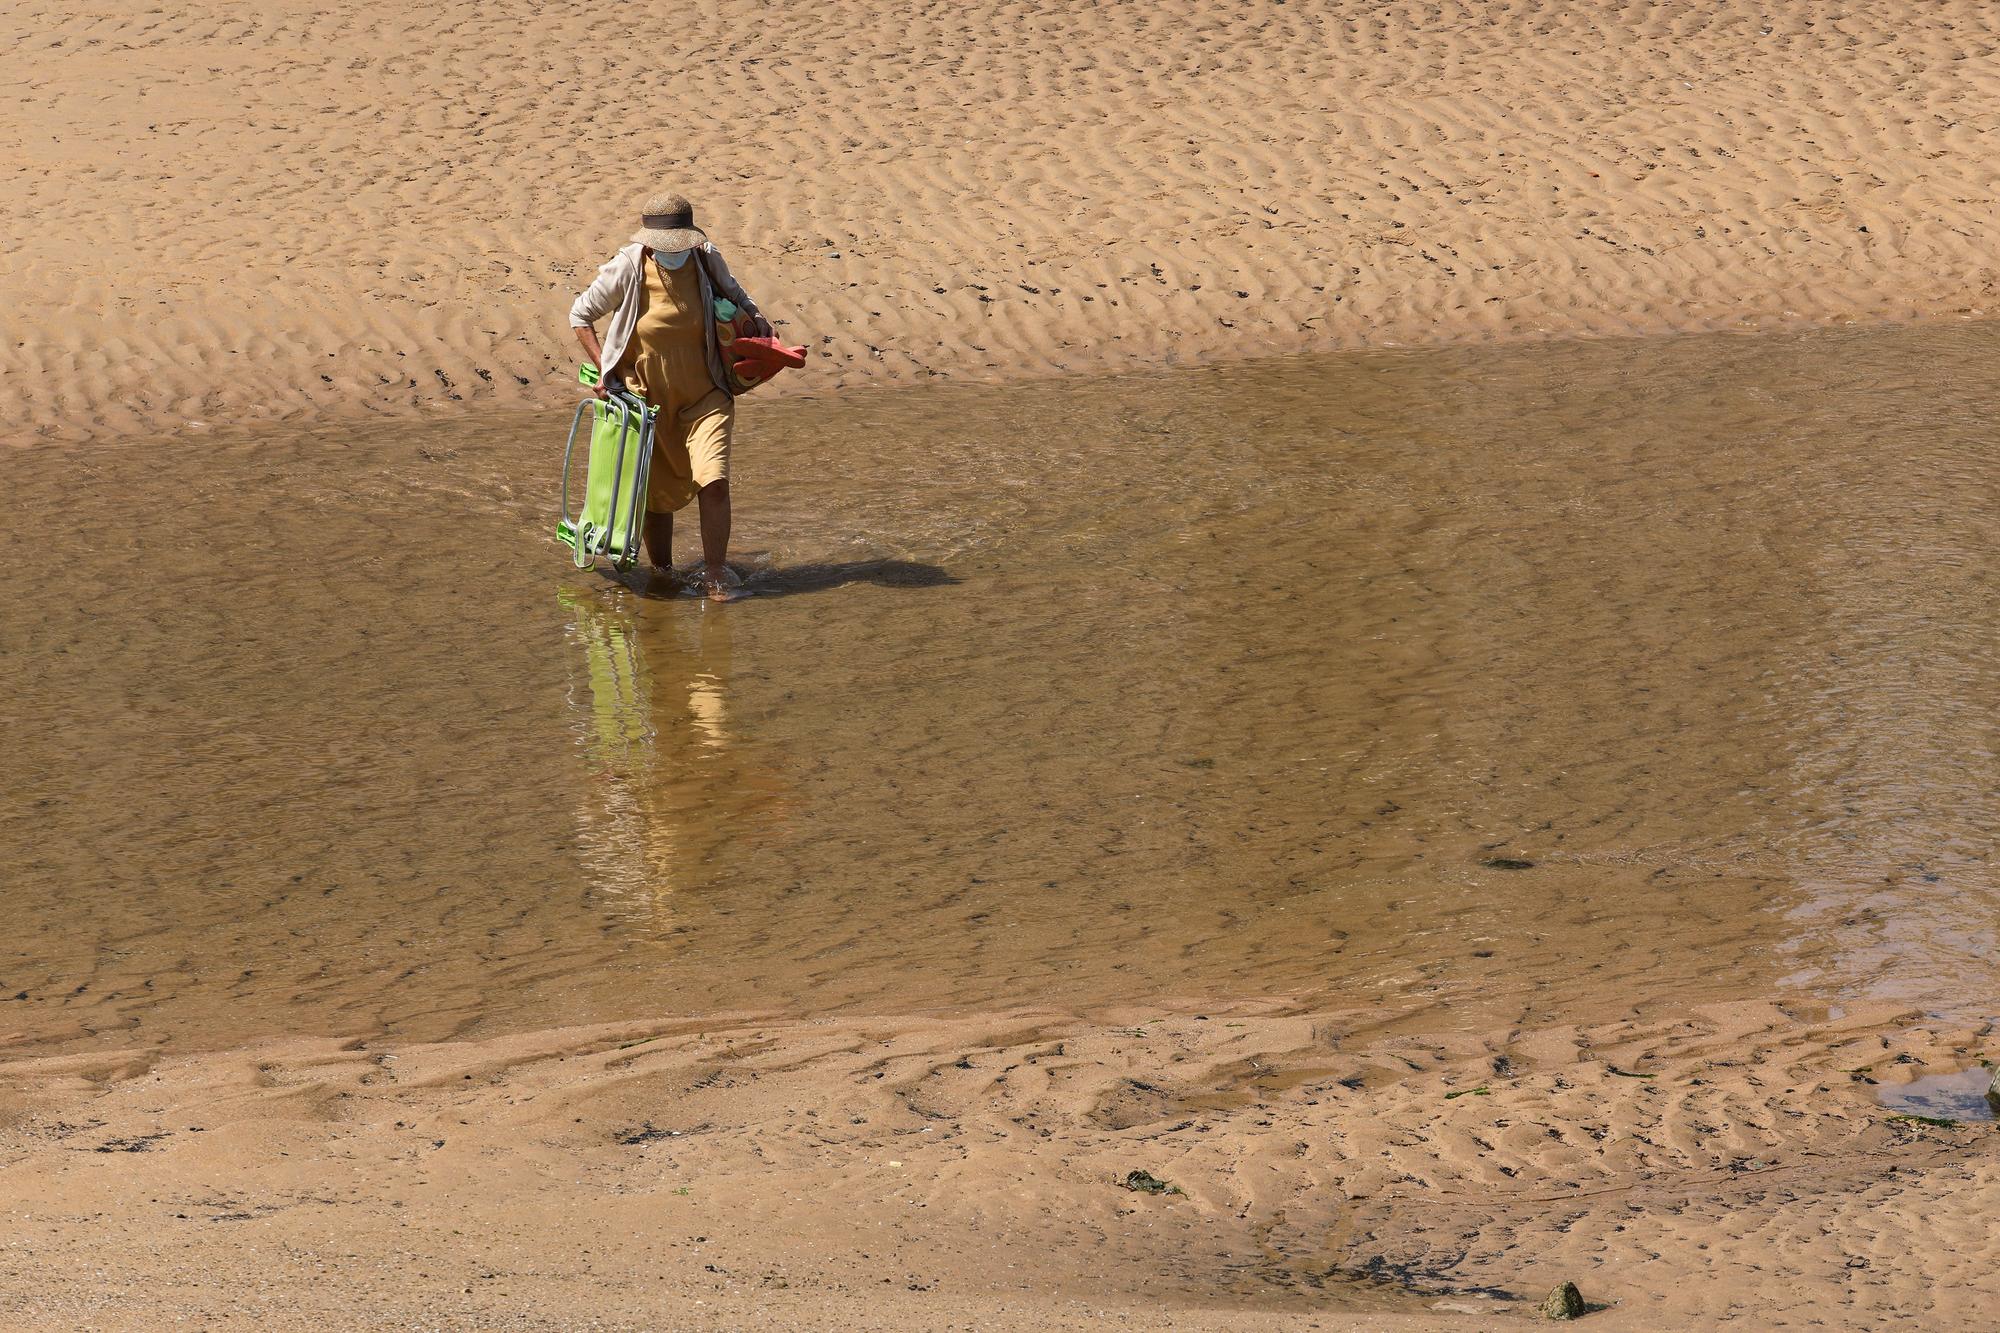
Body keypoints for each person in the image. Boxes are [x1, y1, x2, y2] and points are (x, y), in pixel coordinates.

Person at [569, 193, 771, 600]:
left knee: (714, 482)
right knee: (654, 498)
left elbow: (737, 297)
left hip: (706, 395)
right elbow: (580, 314)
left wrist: (763, 328)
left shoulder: (705, 258)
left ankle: (715, 574)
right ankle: (662, 572)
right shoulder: (627, 265)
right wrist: (606, 373)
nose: (674, 252)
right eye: (667, 246)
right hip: (647, 402)